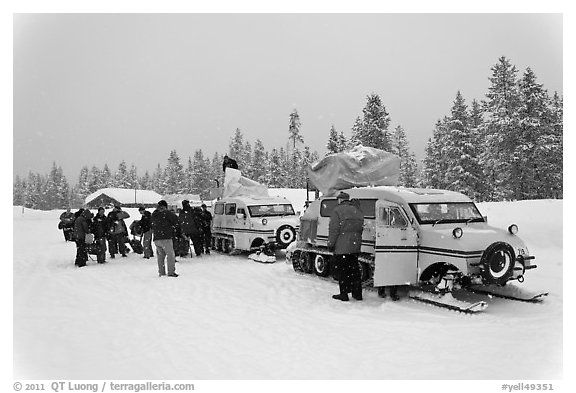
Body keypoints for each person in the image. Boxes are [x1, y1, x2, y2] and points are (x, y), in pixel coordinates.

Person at [327, 191, 365, 302]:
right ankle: (357, 294)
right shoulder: (357, 210)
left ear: (340, 200)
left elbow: (334, 230)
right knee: (354, 271)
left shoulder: (337, 211)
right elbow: (360, 228)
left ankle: (344, 294)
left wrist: (330, 244)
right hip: (355, 245)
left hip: (342, 246)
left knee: (343, 271)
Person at [151, 200, 180, 277]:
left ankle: (161, 272)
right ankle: (171, 272)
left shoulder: (154, 214)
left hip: (156, 238)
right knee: (170, 255)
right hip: (166, 237)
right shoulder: (167, 213)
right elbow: (176, 221)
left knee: (160, 256)